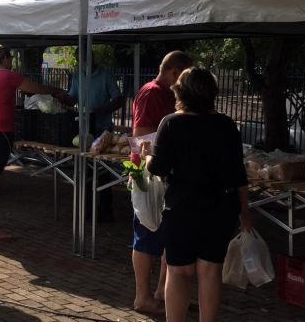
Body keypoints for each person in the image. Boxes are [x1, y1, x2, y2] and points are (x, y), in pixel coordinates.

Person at [146, 67, 252, 322]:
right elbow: (239, 174)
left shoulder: (171, 123)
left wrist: (149, 155)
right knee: (210, 271)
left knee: (179, 271)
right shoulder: (226, 125)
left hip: (182, 206)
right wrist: (246, 213)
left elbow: (157, 167)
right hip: (220, 207)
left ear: (180, 91)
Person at [0, 45, 67, 241]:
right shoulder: (10, 76)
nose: (12, 62)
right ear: (6, 59)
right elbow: (37, 89)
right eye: (10, 58)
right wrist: (57, 91)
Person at [130, 50, 193, 315]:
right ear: (175, 72)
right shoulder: (152, 92)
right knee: (147, 234)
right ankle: (142, 297)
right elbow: (141, 134)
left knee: (167, 236)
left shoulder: (167, 94)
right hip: (149, 175)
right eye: (185, 75)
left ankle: (162, 292)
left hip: (164, 173)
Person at [66, 47, 123, 222]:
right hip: (83, 130)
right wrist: (60, 97)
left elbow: (118, 99)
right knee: (84, 173)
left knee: (103, 173)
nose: (84, 61)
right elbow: (73, 97)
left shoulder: (105, 75)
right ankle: (87, 212)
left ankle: (106, 211)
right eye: (81, 59)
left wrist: (101, 111)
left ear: (92, 57)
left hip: (102, 131)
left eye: (87, 57)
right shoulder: (77, 75)